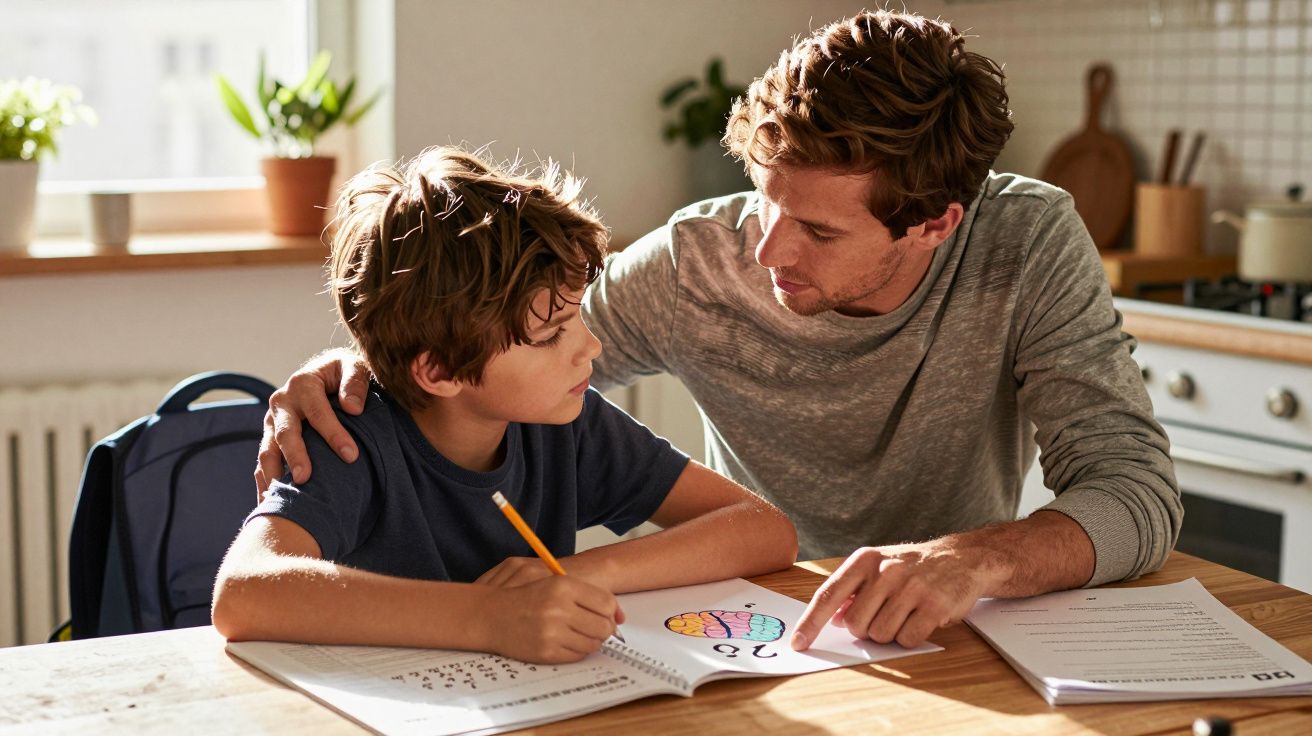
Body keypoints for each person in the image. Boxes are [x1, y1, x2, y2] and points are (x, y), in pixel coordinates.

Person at [254, 10, 1180, 651]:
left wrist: (972, 558)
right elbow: (494, 343)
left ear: (936, 222)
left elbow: (1135, 491)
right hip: (749, 639)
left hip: (952, 637)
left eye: (819, 229)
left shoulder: (1026, 242)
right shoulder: (701, 261)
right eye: (764, 198)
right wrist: (363, 362)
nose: (766, 248)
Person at [212, 147, 798, 664]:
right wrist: (489, 618)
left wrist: (567, 573)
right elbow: (244, 593)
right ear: (439, 371)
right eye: (550, 335)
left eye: (577, 316)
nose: (590, 347)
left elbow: (765, 532)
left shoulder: (566, 424)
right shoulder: (352, 439)